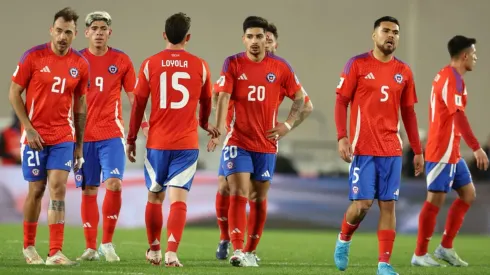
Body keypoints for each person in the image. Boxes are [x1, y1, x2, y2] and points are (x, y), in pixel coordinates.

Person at [213, 22, 314, 261]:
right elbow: (218, 93)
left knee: (257, 196)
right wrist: (221, 119)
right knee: (229, 188)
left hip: (265, 143)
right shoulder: (234, 63)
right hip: (236, 138)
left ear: (274, 44)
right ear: (245, 39)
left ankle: (249, 250)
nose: (261, 42)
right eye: (255, 37)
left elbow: (305, 104)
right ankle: (229, 241)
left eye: (266, 39)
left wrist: (287, 125)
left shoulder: (281, 69)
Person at [126, 12, 218, 267]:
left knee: (155, 196)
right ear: (188, 37)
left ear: (164, 35)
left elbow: (138, 105)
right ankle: (171, 253)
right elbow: (207, 100)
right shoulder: (200, 65)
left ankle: (154, 250)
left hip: (157, 142)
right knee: (178, 200)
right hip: (186, 144)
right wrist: (203, 123)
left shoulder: (149, 64)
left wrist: (131, 138)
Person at [333, 16, 423, 275]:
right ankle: (344, 239)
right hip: (363, 148)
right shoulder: (357, 64)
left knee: (388, 205)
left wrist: (417, 150)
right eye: (385, 31)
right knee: (362, 205)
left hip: (392, 149)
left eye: (395, 32)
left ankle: (384, 264)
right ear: (374, 35)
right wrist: (342, 137)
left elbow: (409, 113)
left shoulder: (404, 71)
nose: (391, 35)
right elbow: (341, 102)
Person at [9, 7, 88, 266]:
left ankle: (55, 252)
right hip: (34, 137)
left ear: (75, 34)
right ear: (51, 31)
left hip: (63, 136)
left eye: (68, 32)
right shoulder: (33, 56)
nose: (63, 36)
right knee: (37, 189)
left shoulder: (80, 64)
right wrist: (28, 128)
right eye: (59, 30)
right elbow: (14, 93)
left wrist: (78, 146)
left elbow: (80, 106)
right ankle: (29, 246)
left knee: (57, 188)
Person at [75, 11, 148, 262]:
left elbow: (133, 98)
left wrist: (143, 124)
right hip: (83, 138)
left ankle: (107, 243)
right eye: (93, 28)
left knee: (114, 183)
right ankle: (90, 248)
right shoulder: (76, 60)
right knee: (89, 189)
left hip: (111, 134)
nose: (98, 32)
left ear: (109, 32)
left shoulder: (122, 60)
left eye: (102, 28)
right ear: (86, 33)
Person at [411, 35, 489, 267]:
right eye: (473, 54)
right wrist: (477, 148)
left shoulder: (448, 76)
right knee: (434, 200)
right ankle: (420, 253)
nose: (476, 58)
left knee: (468, 194)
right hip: (440, 150)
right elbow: (457, 115)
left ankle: (445, 247)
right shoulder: (451, 79)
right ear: (464, 55)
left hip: (451, 150)